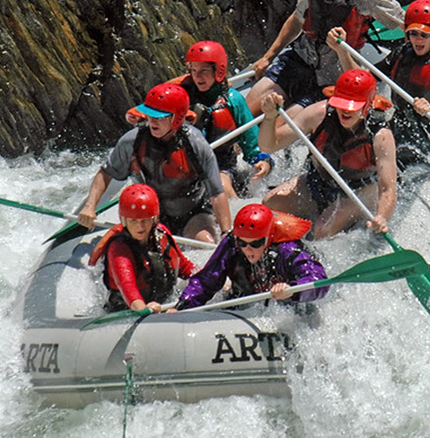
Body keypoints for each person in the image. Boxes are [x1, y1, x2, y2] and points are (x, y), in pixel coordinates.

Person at [245, 0, 405, 117]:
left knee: (282, 131)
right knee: (243, 114)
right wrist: (268, 57)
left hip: (332, 79)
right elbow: (297, 19)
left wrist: (423, 48)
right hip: (300, 61)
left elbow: (406, 24)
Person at [77, 83, 232, 244]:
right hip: (149, 215)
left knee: (205, 242)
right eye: (150, 115)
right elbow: (106, 173)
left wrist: (226, 233)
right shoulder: (132, 141)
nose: (152, 122)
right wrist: (90, 206)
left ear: (176, 118)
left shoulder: (195, 143)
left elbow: (216, 193)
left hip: (193, 212)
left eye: (160, 117)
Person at [258, 68, 397, 240]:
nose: (345, 111)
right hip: (319, 181)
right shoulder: (318, 114)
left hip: (358, 190)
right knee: (270, 204)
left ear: (368, 105)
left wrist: (382, 216)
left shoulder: (381, 135)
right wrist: (270, 118)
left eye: (352, 107)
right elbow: (268, 146)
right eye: (341, 104)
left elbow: (387, 188)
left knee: (322, 229)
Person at [331, 0, 430, 170]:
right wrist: (342, 52)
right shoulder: (402, 53)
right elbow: (363, 79)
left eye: (424, 35)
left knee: (403, 167)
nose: (418, 40)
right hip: (399, 124)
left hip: (428, 133)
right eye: (413, 33)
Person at [126, 41, 273, 199]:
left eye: (203, 70)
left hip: (219, 164)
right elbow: (154, 107)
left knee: (221, 188)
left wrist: (262, 159)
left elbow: (251, 139)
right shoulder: (182, 94)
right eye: (193, 70)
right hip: (182, 161)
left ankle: (234, 217)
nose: (197, 76)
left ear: (219, 71)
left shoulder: (233, 100)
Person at [175, 203, 329, 310]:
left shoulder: (287, 249)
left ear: (268, 238)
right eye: (242, 243)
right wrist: (182, 305)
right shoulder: (231, 243)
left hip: (287, 305)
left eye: (255, 244)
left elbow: (319, 280)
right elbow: (206, 281)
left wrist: (293, 290)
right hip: (245, 300)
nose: (248, 249)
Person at [88, 184, 196, 313]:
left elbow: (184, 267)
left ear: (154, 219)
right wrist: (144, 310)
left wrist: (208, 278)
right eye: (133, 221)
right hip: (128, 310)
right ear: (124, 221)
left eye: (145, 220)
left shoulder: (161, 235)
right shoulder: (118, 249)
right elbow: (128, 288)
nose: (140, 227)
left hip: (161, 303)